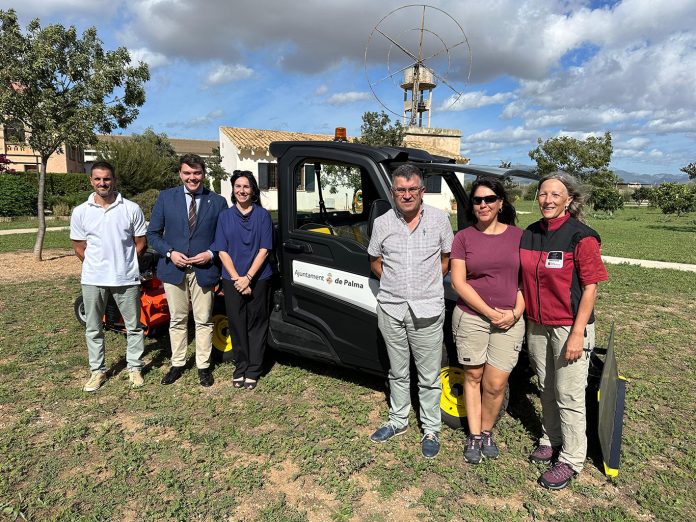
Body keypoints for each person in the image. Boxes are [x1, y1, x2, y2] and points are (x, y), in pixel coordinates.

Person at [520, 172, 608, 490]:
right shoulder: (529, 234)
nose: (548, 200)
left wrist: (577, 333)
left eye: (556, 195)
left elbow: (590, 289)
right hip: (537, 324)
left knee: (569, 393)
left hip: (569, 327)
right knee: (546, 386)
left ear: (568, 199)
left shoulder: (582, 237)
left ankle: (571, 459)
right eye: (543, 194)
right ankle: (550, 437)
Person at [367, 163, 454, 458]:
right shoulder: (382, 224)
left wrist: (424, 285)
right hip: (391, 308)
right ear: (393, 192)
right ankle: (398, 420)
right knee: (397, 371)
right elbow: (375, 261)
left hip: (427, 308)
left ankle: (430, 427)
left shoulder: (441, 221)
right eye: (401, 190)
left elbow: (446, 260)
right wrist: (395, 285)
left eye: (412, 189)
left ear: (422, 190)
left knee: (429, 375)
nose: (407, 195)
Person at [450, 177, 525, 464]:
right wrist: (489, 312)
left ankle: (487, 429)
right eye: (478, 200)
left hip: (510, 319)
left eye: (489, 199)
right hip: (472, 317)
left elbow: (528, 283)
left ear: (500, 203)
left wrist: (515, 313)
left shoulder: (519, 237)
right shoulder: (464, 238)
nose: (483, 204)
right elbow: (459, 282)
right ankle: (475, 435)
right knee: (472, 376)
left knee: (496, 383)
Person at [147, 154, 228, 387]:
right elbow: (153, 234)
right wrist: (171, 253)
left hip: (204, 269)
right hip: (174, 268)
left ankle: (203, 366)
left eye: (197, 173)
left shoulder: (218, 201)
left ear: (203, 174)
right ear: (180, 174)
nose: (192, 178)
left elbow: (223, 237)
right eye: (187, 173)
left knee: (203, 320)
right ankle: (178, 363)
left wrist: (211, 253)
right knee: (178, 319)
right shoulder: (165, 198)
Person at [70, 161, 148, 392]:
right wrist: (97, 265)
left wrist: (123, 264)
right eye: (98, 179)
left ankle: (134, 367)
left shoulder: (131, 208)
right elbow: (79, 247)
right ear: (91, 181)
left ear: (114, 180)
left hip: (125, 277)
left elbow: (141, 243)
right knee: (94, 327)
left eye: (107, 179)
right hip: (93, 279)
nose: (102, 183)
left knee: (133, 326)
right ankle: (98, 371)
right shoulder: (81, 211)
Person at [210, 170, 273, 390]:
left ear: (253, 190)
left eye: (246, 187)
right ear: (233, 189)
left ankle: (254, 369)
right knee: (236, 325)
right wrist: (238, 279)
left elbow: (264, 249)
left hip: (259, 278)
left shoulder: (263, 216)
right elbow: (221, 250)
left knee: (256, 325)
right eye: (238, 186)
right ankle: (241, 367)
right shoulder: (225, 217)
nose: (242, 191)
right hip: (232, 278)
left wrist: (248, 278)